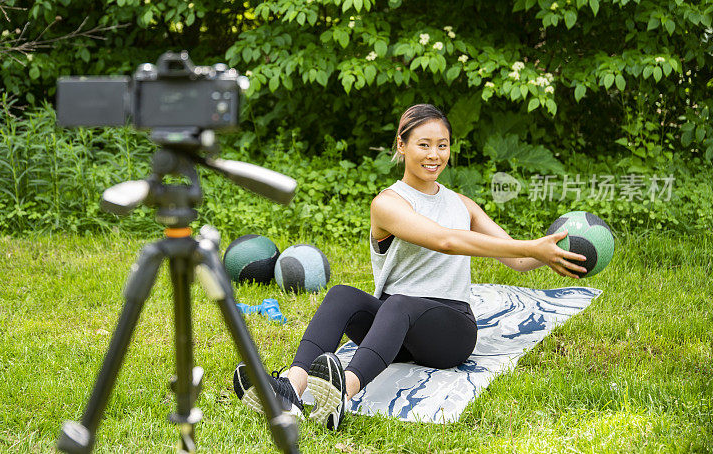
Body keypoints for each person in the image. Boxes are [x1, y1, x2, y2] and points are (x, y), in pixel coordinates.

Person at [232, 103, 586, 430]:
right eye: (424, 144)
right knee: (342, 295)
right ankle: (290, 390)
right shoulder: (388, 204)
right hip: (393, 330)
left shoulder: (462, 204)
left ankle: (343, 392)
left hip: (449, 333)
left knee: (400, 302)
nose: (434, 155)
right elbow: (442, 240)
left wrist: (548, 251)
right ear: (400, 146)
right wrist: (531, 248)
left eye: (443, 145)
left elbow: (518, 259)